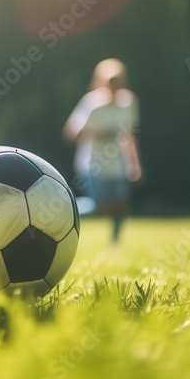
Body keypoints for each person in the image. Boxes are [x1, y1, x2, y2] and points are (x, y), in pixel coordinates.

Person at [63, 58, 142, 246]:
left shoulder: (129, 102)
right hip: (93, 164)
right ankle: (64, 212)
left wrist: (135, 164)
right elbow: (71, 132)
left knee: (121, 206)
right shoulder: (92, 103)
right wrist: (95, 132)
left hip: (118, 164)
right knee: (99, 208)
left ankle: (114, 245)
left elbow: (129, 136)